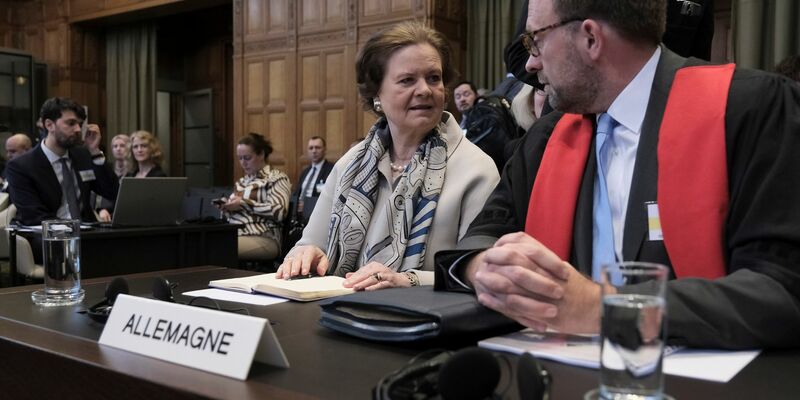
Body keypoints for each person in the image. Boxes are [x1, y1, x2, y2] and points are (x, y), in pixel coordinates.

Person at [436, 0, 800, 349]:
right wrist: (486, 268)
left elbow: (782, 290)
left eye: (536, 39)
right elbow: (476, 242)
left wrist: (601, 308)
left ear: (591, 38)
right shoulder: (544, 141)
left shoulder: (749, 108)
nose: (530, 64)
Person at [277, 21, 499, 290]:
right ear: (376, 95)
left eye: (434, 78)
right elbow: (308, 244)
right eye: (407, 80)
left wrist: (410, 280)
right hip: (337, 313)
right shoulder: (350, 164)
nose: (425, 90)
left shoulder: (476, 169)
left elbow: (482, 273)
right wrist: (305, 255)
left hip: (427, 322)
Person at [6, 97, 119, 264]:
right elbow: (34, 215)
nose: (78, 129)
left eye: (80, 124)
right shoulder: (22, 166)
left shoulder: (82, 155)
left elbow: (111, 191)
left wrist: (95, 152)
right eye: (71, 123)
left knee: (120, 247)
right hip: (46, 237)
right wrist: (72, 230)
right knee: (84, 252)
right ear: (49, 125)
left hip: (86, 234)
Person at [217, 133, 290, 265]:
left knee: (216, 248)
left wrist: (244, 204)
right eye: (240, 158)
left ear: (261, 154)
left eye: (247, 158)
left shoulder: (276, 177)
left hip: (264, 237)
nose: (243, 163)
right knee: (204, 243)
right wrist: (227, 208)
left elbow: (279, 212)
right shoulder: (242, 182)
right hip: (236, 233)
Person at [292, 136, 333, 223]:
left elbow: (330, 197)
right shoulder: (305, 172)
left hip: (318, 217)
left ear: (324, 150)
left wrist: (306, 206)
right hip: (298, 217)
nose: (314, 151)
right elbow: (296, 194)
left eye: (317, 147)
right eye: (311, 148)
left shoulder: (331, 170)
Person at [95, 134, 131, 222]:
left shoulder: (134, 171)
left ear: (129, 148)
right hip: (102, 214)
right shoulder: (108, 169)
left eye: (122, 145)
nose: (118, 149)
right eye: (115, 146)